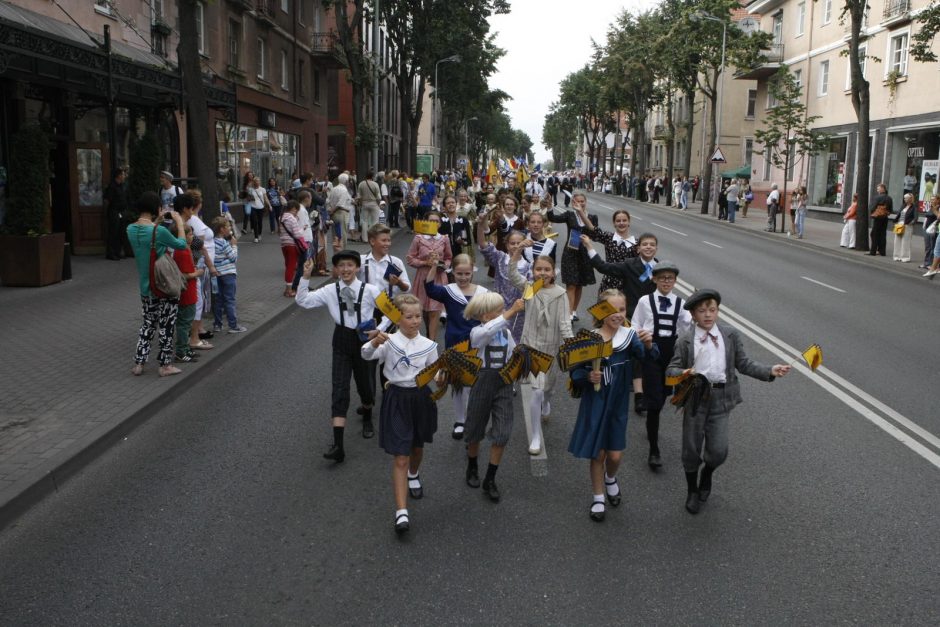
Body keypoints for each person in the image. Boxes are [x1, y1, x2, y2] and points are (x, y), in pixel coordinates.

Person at [666, 289, 790, 515]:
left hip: (721, 400)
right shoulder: (685, 341)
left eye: (712, 310)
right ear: (693, 314)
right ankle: (692, 490)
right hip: (694, 399)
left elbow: (743, 363)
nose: (707, 315)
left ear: (718, 311)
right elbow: (671, 370)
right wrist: (684, 372)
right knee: (691, 450)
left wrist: (770, 370)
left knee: (719, 451)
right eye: (702, 311)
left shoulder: (730, 335)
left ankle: (708, 474)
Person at [568, 289, 656, 522]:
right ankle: (598, 498)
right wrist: (587, 377)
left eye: (622, 309)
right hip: (595, 402)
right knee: (598, 453)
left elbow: (649, 359)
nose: (617, 314)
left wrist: (648, 345)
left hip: (617, 403)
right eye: (611, 309)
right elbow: (574, 372)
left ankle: (610, 478)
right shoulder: (589, 337)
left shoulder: (629, 337)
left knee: (615, 456)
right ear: (600, 310)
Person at [296, 251, 390, 462]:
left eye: (350, 265)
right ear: (336, 269)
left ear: (357, 268)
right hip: (341, 338)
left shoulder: (371, 289)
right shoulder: (330, 290)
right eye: (341, 266)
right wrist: (306, 277)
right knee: (339, 387)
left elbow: (392, 312)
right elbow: (303, 301)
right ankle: (338, 445)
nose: (345, 269)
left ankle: (367, 414)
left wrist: (379, 329)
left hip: (364, 339)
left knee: (365, 385)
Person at [361, 294, 439, 536]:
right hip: (396, 398)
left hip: (421, 398)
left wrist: (445, 377)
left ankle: (414, 475)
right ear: (398, 318)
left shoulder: (429, 345)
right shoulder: (389, 341)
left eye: (418, 316)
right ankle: (401, 511)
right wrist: (374, 343)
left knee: (417, 448)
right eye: (409, 317)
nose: (415, 321)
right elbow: (366, 354)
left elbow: (434, 373)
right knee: (400, 456)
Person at [463, 294, 527, 503]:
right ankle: (472, 465)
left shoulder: (506, 332)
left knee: (502, 432)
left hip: (504, 384)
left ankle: (490, 478)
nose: (503, 312)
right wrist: (511, 312)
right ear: (484, 314)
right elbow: (487, 332)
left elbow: (511, 353)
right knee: (474, 428)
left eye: (503, 309)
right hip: (482, 381)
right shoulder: (477, 332)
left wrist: (521, 357)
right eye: (499, 310)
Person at [507, 251, 572, 455]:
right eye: (538, 269)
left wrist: (571, 345)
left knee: (547, 389)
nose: (542, 273)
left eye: (546, 269)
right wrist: (517, 253)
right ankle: (536, 435)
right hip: (530, 347)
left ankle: (547, 401)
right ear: (533, 271)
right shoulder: (529, 288)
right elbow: (512, 275)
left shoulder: (561, 294)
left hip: (551, 348)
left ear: (553, 272)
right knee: (535, 389)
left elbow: (564, 323)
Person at [631, 261, 691, 469]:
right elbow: (634, 324)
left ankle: (653, 416)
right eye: (662, 278)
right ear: (654, 279)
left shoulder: (681, 304)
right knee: (655, 403)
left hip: (671, 353)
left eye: (670, 278)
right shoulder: (645, 301)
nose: (667, 281)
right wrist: (641, 338)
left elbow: (688, 328)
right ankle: (654, 450)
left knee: (665, 394)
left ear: (675, 281)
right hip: (651, 349)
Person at [425, 254, 488, 439]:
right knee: (458, 384)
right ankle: (460, 420)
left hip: (476, 343)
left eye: (467, 273)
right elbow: (429, 288)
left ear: (473, 271)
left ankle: (472, 419)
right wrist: (434, 266)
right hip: (454, 343)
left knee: (473, 384)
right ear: (453, 272)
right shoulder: (448, 290)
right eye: (459, 273)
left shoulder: (483, 292)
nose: (463, 277)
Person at [126, 191, 188, 377]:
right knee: (167, 325)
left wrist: (157, 221)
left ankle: (139, 363)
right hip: (163, 286)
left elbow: (149, 238)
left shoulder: (130, 229)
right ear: (156, 208)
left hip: (146, 287)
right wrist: (178, 222)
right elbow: (181, 244)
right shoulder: (159, 231)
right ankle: (164, 365)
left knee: (147, 324)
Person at [547, 192, 599, 322]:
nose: (580, 203)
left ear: (585, 202)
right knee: (571, 284)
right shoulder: (569, 215)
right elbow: (553, 218)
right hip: (570, 252)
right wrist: (549, 206)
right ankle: (569, 313)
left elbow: (594, 232)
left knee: (580, 284)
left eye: (582, 201)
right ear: (572, 203)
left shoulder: (592, 217)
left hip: (585, 252)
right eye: (577, 201)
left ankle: (574, 311)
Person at [477, 216, 529, 343]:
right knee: (498, 339)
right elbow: (483, 245)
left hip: (519, 312)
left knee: (515, 341)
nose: (516, 246)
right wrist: (480, 226)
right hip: (499, 308)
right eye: (512, 243)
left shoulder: (529, 266)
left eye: (519, 243)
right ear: (506, 245)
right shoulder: (500, 258)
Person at [407, 211, 452, 341]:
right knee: (425, 312)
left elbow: (449, 257)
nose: (434, 223)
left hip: (438, 277)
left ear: (440, 223)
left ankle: (432, 343)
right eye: (431, 221)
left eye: (436, 221)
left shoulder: (444, 238)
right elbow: (410, 258)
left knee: (435, 311)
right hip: (423, 276)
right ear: (425, 222)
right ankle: (428, 335)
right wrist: (425, 262)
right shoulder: (418, 238)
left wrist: (443, 266)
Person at [579, 209, 636, 293]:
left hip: (628, 286)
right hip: (609, 283)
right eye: (618, 221)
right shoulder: (609, 237)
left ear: (629, 222)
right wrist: (580, 211)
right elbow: (592, 228)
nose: (621, 223)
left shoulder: (637, 243)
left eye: (624, 220)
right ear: (614, 223)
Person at [210, 216, 247, 334]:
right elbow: (233, 258)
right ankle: (233, 325)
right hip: (228, 274)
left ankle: (217, 324)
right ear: (222, 229)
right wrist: (234, 246)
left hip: (217, 274)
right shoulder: (224, 243)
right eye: (228, 226)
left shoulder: (212, 242)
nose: (230, 228)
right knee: (229, 299)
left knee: (218, 300)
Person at [173, 225, 203, 363]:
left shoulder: (185, 250)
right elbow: (184, 275)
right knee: (184, 323)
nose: (193, 236)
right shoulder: (183, 251)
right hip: (187, 291)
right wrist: (197, 273)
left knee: (186, 321)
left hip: (188, 291)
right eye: (190, 234)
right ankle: (181, 351)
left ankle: (185, 348)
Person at [278, 200, 306, 297]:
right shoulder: (291, 218)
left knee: (288, 266)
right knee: (291, 267)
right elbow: (297, 234)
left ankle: (287, 288)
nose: (297, 213)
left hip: (284, 245)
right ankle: (289, 290)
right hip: (292, 245)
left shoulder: (280, 217)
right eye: (296, 210)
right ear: (293, 209)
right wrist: (303, 229)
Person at [104, 168, 128, 260]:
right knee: (113, 232)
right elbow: (107, 200)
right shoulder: (112, 186)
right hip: (114, 211)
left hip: (122, 212)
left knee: (120, 232)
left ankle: (118, 252)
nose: (124, 176)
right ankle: (111, 253)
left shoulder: (122, 186)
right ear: (118, 176)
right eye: (123, 174)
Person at [327, 173, 355, 251]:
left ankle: (336, 252)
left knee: (335, 235)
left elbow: (328, 201)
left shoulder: (334, 188)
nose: (349, 182)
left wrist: (331, 211)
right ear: (346, 181)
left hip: (335, 214)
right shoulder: (344, 190)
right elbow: (340, 203)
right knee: (342, 235)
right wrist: (333, 211)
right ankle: (341, 252)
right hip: (341, 213)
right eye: (348, 181)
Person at [357, 170, 383, 239]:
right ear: (372, 176)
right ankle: (372, 237)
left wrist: (360, 204)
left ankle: (365, 238)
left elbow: (359, 196)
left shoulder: (361, 184)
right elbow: (379, 197)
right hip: (374, 203)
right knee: (375, 221)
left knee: (364, 221)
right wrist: (378, 204)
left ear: (365, 176)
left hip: (364, 203)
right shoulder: (375, 184)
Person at [869, 182, 893, 257]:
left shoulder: (878, 197)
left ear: (883, 189)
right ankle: (882, 251)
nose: (877, 190)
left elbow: (872, 207)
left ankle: (873, 251)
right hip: (885, 218)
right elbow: (891, 209)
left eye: (878, 189)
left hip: (877, 217)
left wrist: (872, 212)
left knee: (874, 234)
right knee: (883, 234)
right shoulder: (889, 198)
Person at [892, 192, 917, 262]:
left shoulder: (914, 207)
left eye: (906, 198)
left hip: (907, 225)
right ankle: (897, 256)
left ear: (910, 199)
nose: (904, 199)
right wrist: (895, 221)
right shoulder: (903, 206)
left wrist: (911, 223)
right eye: (904, 198)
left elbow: (915, 217)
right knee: (897, 240)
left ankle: (905, 257)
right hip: (900, 224)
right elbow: (899, 214)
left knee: (906, 241)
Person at [245, 177, 270, 243]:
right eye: (256, 181)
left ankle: (259, 234)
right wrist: (249, 198)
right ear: (254, 182)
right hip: (253, 207)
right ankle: (256, 237)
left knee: (260, 222)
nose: (257, 182)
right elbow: (247, 198)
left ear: (260, 182)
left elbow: (265, 198)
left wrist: (269, 205)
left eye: (258, 181)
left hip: (261, 207)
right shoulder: (250, 189)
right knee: (255, 221)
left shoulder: (262, 189)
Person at [921, 195, 939, 269]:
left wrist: (935, 210)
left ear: (938, 200)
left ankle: (931, 264)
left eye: (933, 199)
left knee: (933, 247)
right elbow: (926, 217)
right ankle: (926, 263)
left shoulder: (937, 208)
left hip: (933, 230)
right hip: (927, 229)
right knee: (927, 247)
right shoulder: (930, 207)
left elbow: (938, 217)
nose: (931, 201)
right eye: (931, 199)